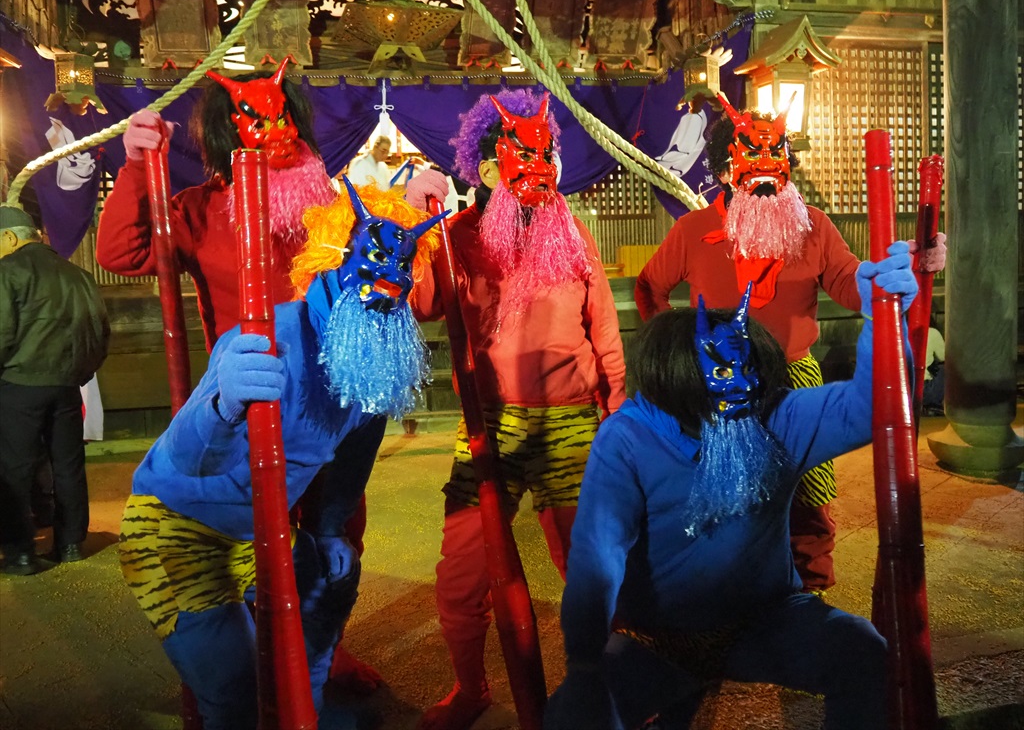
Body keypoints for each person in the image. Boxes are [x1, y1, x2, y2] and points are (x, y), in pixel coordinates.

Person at [96, 61, 447, 691]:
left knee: (333, 540)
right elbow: (122, 253)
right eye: (256, 120)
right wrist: (133, 166)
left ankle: (317, 659)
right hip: (244, 405)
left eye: (285, 115)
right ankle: (244, 664)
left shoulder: (340, 210)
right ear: (229, 137)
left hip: (333, 407)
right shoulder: (201, 209)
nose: (276, 131)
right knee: (243, 539)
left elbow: (407, 296)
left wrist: (409, 212)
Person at [546, 243, 918, 730]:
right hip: (659, 636)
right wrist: (586, 664)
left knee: (864, 653)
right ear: (677, 376)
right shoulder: (630, 436)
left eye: (747, 370)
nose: (739, 386)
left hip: (765, 620)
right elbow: (599, 556)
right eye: (722, 372)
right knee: (572, 718)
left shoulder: (776, 415)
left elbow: (874, 407)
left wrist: (882, 319)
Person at [634, 95, 944, 594]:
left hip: (796, 379)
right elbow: (649, 287)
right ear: (722, 165)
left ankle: (810, 594)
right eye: (748, 155)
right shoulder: (693, 230)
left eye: (774, 153)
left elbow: (849, 280)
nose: (762, 168)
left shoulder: (813, 225)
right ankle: (734, 600)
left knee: (810, 497)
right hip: (720, 384)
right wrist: (676, 358)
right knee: (727, 497)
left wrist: (895, 270)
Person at [411, 88, 626, 730]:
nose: (534, 174)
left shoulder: (573, 232)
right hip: (490, 427)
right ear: (486, 168)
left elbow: (605, 328)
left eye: (544, 157)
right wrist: (415, 227)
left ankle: (601, 688)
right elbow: (423, 306)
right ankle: (471, 687)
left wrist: (617, 410)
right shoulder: (458, 237)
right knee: (461, 574)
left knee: (590, 569)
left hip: (570, 421)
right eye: (517, 160)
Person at [0, 205, 110, 575]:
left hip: (19, 385)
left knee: (15, 467)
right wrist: (79, 374)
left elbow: (1, 333)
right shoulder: (78, 276)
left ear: (9, 238)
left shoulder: (8, 271)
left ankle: (20, 551)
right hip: (66, 386)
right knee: (68, 465)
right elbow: (99, 334)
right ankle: (69, 543)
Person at [922, 319, 945, 415]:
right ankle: (933, 405)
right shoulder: (932, 332)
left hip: (904, 393)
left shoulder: (901, 332)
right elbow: (943, 356)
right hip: (926, 390)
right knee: (948, 368)